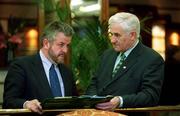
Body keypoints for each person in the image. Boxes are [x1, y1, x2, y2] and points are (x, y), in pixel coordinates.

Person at [86, 12, 164, 111]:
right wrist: (94, 100)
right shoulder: (107, 55)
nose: (112, 40)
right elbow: (93, 84)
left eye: (117, 35)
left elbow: (150, 96)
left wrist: (120, 101)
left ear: (132, 35)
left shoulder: (151, 59)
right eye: (111, 34)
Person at [3, 21, 78, 114]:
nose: (65, 50)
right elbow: (9, 101)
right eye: (61, 44)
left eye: (67, 45)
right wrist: (26, 104)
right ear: (46, 43)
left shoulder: (67, 72)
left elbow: (75, 104)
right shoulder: (21, 66)